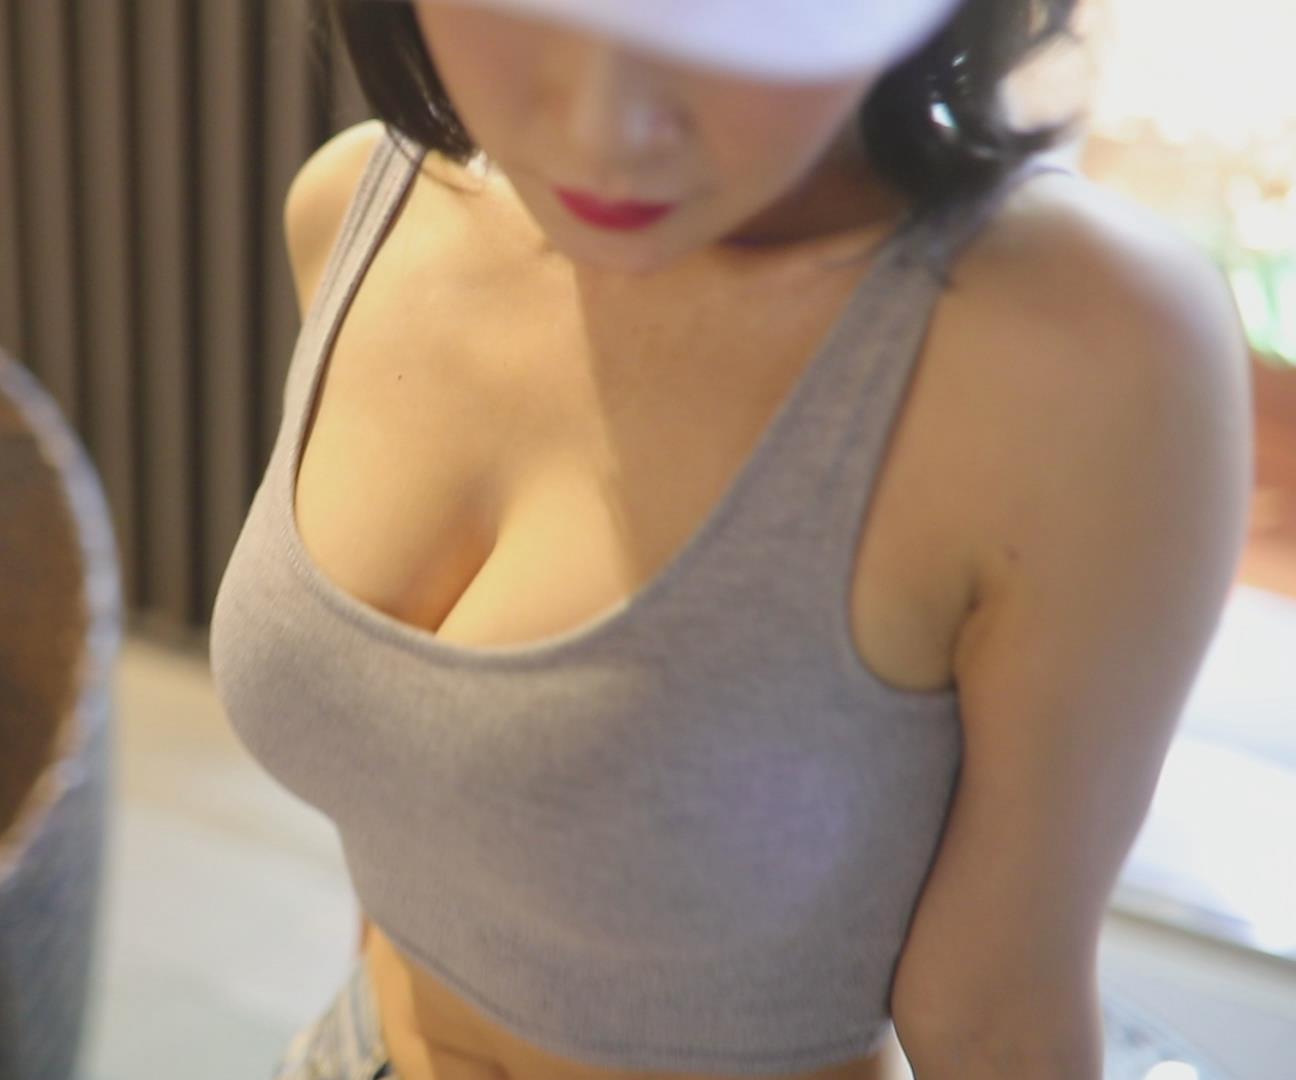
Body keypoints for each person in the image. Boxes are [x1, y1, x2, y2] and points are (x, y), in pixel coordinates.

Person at [207, 1, 1255, 1078]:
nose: (605, 130)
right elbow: (410, 818)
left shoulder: (1073, 347)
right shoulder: (362, 205)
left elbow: (997, 1021)